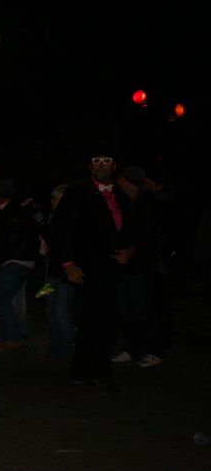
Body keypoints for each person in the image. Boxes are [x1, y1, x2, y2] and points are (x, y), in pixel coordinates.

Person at [50, 150, 133, 393]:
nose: (101, 166)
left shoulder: (121, 196)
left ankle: (80, 369)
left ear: (114, 166)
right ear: (90, 167)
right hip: (87, 268)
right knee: (107, 319)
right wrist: (68, 263)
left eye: (106, 161)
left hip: (113, 267)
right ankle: (100, 370)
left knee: (92, 321)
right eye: (96, 162)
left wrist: (130, 250)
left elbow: (130, 231)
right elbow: (61, 230)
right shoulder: (78, 193)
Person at [111, 166, 165, 367]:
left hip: (141, 266)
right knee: (126, 310)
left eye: (122, 179)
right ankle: (133, 348)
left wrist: (132, 250)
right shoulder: (125, 202)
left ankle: (155, 350)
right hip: (125, 265)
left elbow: (149, 236)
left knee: (142, 310)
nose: (118, 182)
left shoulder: (149, 203)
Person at [0, 177, 41, 353]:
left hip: (17, 260)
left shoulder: (13, 212)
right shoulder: (12, 211)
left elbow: (12, 240)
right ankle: (19, 332)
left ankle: (13, 337)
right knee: (14, 298)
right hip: (18, 259)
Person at [40, 184, 75, 363]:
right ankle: (55, 350)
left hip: (64, 275)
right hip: (51, 273)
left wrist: (42, 227)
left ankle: (66, 352)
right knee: (50, 311)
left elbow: (56, 241)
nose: (52, 201)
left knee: (60, 312)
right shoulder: (53, 218)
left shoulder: (69, 219)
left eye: (56, 198)